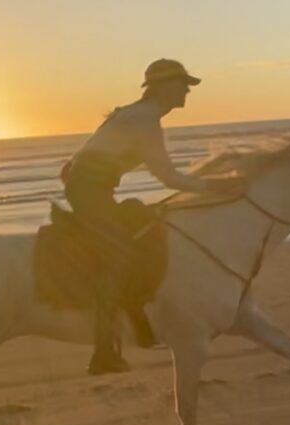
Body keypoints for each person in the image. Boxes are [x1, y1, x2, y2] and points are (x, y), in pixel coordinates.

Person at [61, 59, 239, 375]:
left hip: (93, 188)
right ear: (163, 87)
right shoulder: (144, 119)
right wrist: (217, 186)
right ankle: (103, 352)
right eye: (183, 84)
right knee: (118, 256)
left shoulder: (135, 114)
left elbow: (85, 155)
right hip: (90, 192)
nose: (187, 90)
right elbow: (168, 177)